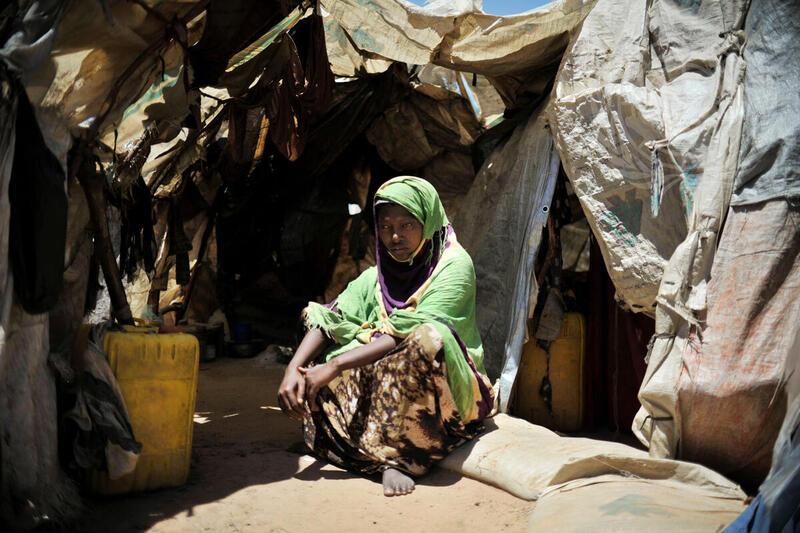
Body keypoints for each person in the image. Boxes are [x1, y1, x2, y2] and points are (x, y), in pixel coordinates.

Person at [277, 176, 494, 496]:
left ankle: (401, 459)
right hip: (388, 389)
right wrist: (293, 367)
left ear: (428, 220)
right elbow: (331, 317)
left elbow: (408, 331)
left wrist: (336, 367)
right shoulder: (377, 276)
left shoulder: (454, 266)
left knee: (426, 340)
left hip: (447, 390)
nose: (394, 236)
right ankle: (329, 441)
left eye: (407, 225)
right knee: (314, 326)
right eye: (386, 226)